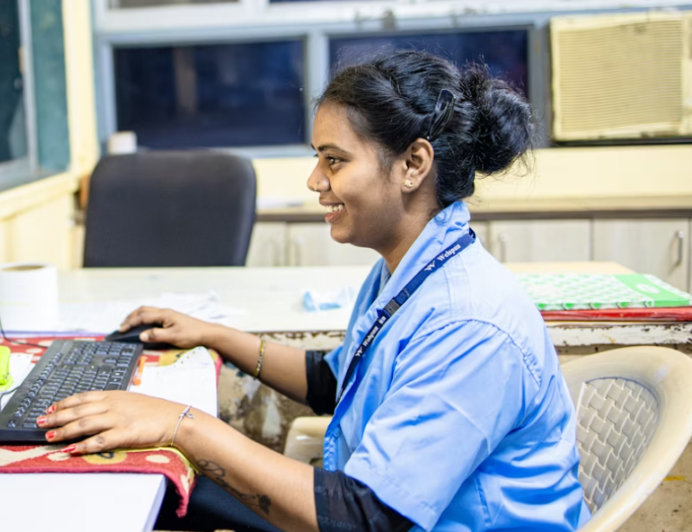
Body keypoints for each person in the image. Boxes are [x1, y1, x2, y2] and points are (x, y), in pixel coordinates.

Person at [39, 50, 590, 531]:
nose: (314, 180)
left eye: (335, 159)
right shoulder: (411, 268)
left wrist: (179, 425)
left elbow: (365, 515)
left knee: (176, 489)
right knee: (179, 493)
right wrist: (213, 335)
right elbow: (334, 380)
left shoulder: (468, 324)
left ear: (413, 165)